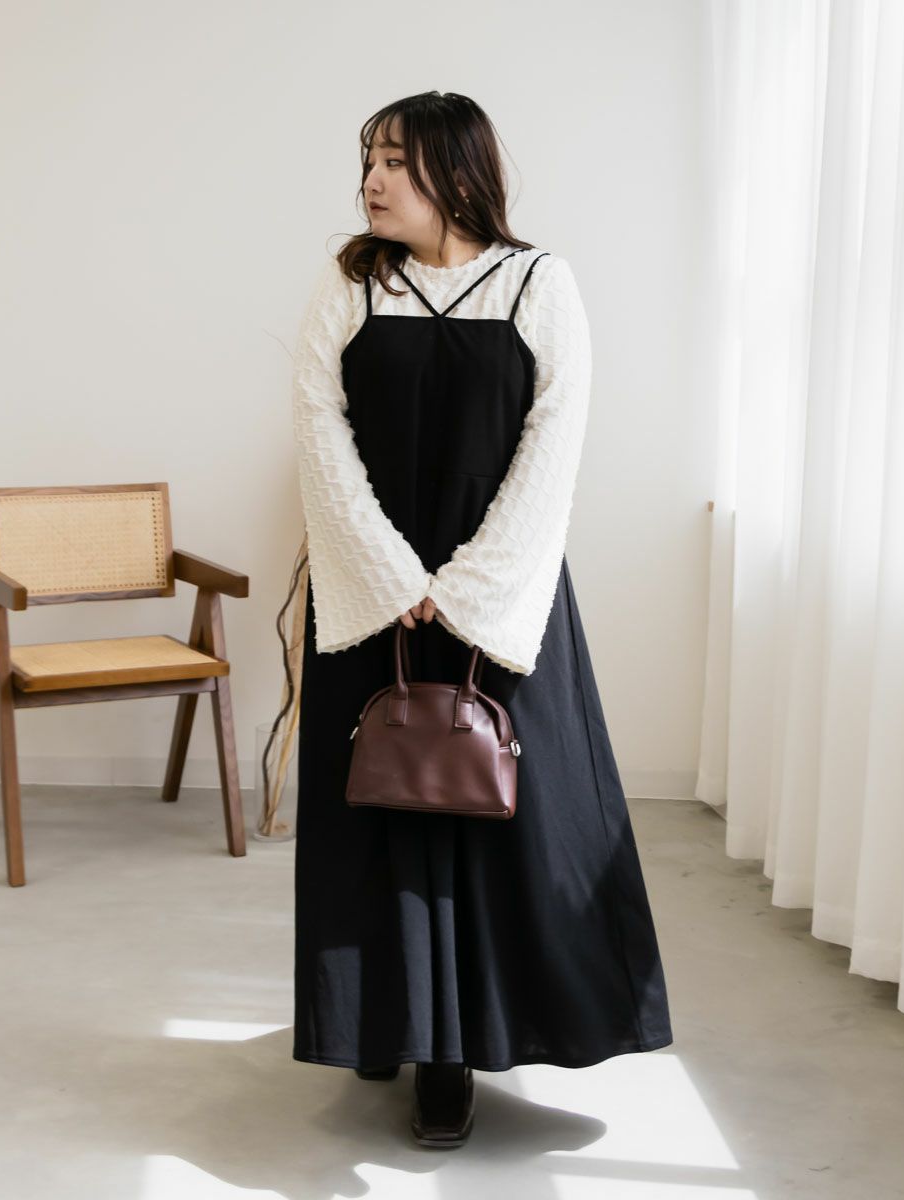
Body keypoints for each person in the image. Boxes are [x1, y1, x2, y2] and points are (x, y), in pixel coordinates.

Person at [270, 90, 673, 1150]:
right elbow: (316, 428)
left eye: (393, 160)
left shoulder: (540, 282)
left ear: (455, 171)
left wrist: (468, 588)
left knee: (512, 821)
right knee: (383, 816)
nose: (370, 180)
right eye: (367, 159)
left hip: (505, 593)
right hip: (373, 595)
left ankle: (475, 1044)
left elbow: (554, 443)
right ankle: (398, 1033)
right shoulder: (350, 282)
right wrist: (389, 574)